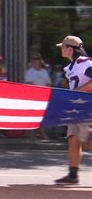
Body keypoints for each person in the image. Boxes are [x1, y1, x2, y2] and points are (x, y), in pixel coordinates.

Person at [54, 35, 92, 185]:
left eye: (62, 47)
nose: (61, 50)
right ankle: (73, 174)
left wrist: (77, 91)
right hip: (76, 107)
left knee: (87, 139)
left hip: (86, 106)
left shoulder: (85, 63)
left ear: (70, 49)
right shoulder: (72, 66)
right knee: (73, 140)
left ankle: (73, 174)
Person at [25, 52, 52, 140]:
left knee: (42, 116)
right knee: (34, 115)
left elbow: (49, 83)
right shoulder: (29, 72)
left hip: (44, 97)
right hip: (34, 97)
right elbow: (29, 83)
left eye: (37, 59)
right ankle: (32, 133)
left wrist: (46, 92)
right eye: (33, 59)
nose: (35, 61)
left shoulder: (44, 72)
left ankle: (42, 132)